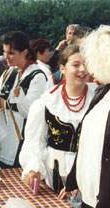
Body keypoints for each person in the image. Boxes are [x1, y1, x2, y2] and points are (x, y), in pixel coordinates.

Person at [20, 45, 96, 191]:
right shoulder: (48, 102)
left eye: (86, 64)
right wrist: (34, 167)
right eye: (76, 65)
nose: (82, 69)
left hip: (89, 174)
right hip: (55, 173)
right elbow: (35, 142)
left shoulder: (99, 98)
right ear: (63, 69)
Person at [61, 25, 110, 208]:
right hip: (90, 200)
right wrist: (73, 180)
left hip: (104, 206)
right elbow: (87, 142)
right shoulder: (101, 92)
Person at [0, 31, 48, 167]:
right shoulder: (9, 72)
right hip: (2, 135)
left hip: (20, 138)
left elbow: (30, 112)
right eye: (4, 52)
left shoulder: (37, 76)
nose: (6, 57)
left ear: (25, 52)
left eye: (11, 53)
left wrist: (19, 96)